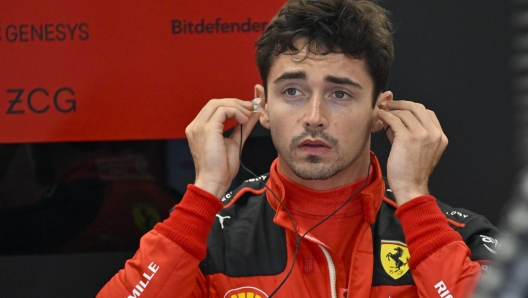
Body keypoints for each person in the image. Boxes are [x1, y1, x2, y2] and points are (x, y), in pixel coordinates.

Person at [98, 0, 498, 297]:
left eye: (339, 93)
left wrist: (413, 198)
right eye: (292, 91)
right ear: (264, 105)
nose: (314, 116)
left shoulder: (459, 238)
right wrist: (205, 192)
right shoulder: (208, 236)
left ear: (380, 110)